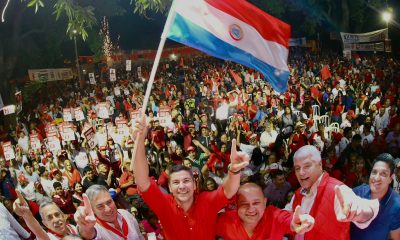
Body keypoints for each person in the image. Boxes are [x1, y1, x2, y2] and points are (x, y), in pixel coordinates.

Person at [131, 115, 250, 240]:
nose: (182, 186)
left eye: (186, 181)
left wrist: (234, 170)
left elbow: (228, 190)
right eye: (176, 182)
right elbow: (142, 182)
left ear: (194, 185)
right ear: (170, 188)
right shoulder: (164, 205)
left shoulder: (207, 201)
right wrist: (139, 141)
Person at [286, 145, 379, 240]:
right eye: (297, 168)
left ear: (320, 164)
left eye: (307, 166)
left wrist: (359, 211)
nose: (301, 172)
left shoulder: (337, 189)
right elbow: (285, 216)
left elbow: (364, 207)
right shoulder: (298, 193)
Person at [216, 183, 314, 239]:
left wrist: (298, 222)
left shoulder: (274, 216)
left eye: (256, 203)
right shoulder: (226, 221)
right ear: (236, 205)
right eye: (244, 204)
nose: (251, 209)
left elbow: (289, 220)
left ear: (265, 202)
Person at [350, 153, 400, 240]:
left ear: (390, 179)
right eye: (374, 172)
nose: (376, 178)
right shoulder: (358, 193)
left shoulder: (396, 205)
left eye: (383, 174)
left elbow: (395, 237)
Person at [74, 185, 144, 240]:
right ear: (93, 210)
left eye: (109, 202)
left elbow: (140, 236)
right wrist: (86, 228)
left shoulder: (125, 214)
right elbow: (90, 235)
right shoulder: (95, 228)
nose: (108, 209)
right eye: (100, 206)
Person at [13, 190, 78, 240]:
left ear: (63, 216)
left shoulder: (72, 227)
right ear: (45, 224)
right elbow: (38, 231)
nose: (55, 220)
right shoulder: (49, 237)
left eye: (57, 214)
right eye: (49, 218)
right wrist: (27, 215)